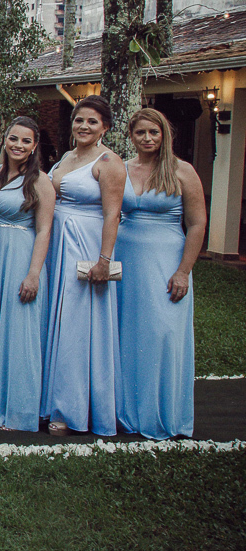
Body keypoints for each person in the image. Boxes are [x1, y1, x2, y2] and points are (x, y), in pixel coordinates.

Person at [116, 108, 205, 439]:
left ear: (164, 134)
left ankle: (162, 413)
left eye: (154, 132)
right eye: (141, 133)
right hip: (126, 258)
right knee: (126, 332)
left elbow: (197, 224)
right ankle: (124, 411)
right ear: (131, 135)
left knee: (162, 333)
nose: (147, 138)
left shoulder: (182, 171)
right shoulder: (122, 169)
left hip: (166, 259)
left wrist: (183, 271)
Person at [42, 95, 126, 437]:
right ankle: (50, 399)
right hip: (57, 241)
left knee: (77, 325)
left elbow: (113, 213)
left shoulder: (109, 162)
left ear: (105, 126)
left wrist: (104, 260)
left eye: (92, 121)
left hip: (85, 244)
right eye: (79, 120)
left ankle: (72, 409)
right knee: (58, 319)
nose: (84, 127)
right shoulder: (66, 157)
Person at [0, 117, 55, 432]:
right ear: (5, 140)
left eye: (26, 141)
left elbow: (44, 231)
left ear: (34, 146)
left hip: (21, 256)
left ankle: (19, 411)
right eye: (13, 139)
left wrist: (33, 274)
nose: (18, 145)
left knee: (18, 333)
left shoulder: (40, 181)